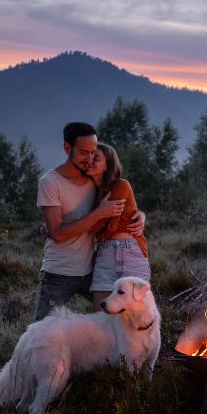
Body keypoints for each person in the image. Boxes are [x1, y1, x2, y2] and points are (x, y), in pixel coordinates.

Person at [34, 122, 145, 320]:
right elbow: (58, 233)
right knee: (43, 327)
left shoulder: (94, 182)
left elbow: (119, 205)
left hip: (92, 269)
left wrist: (140, 215)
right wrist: (99, 213)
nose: (90, 158)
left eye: (94, 153)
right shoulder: (50, 182)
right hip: (59, 271)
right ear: (67, 148)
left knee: (117, 318)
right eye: (84, 153)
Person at [84, 143, 151, 312]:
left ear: (108, 165)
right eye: (89, 156)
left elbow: (107, 225)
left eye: (96, 157)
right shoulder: (89, 192)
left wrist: (95, 218)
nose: (90, 160)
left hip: (130, 252)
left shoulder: (121, 185)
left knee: (136, 313)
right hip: (105, 254)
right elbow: (100, 225)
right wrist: (99, 217)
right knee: (101, 312)